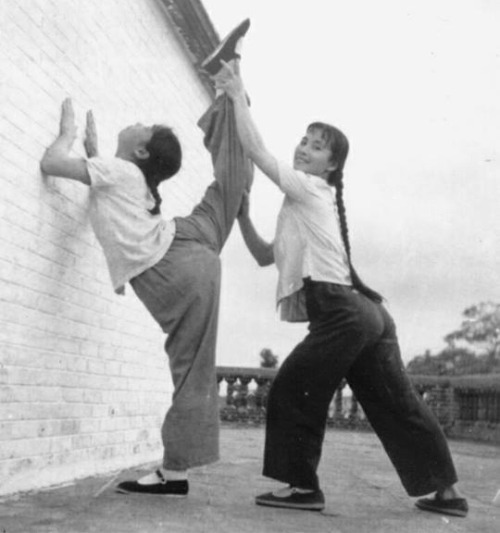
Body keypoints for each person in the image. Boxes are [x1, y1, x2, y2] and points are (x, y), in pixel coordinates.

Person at [215, 61, 468, 517]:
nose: (305, 149)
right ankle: (448, 493)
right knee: (396, 403)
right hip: (365, 314)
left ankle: (302, 489)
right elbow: (261, 255)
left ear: (330, 166)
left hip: (341, 311)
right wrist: (243, 215)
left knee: (293, 389)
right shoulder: (306, 204)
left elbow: (255, 149)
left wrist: (236, 95)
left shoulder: (310, 189)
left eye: (317, 147)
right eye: (304, 141)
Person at [39, 19, 252, 496]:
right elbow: (110, 196)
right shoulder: (123, 176)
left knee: (192, 369)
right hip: (188, 242)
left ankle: (174, 473)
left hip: (174, 266)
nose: (138, 121)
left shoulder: (117, 171)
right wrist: (96, 156)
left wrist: (68, 134)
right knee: (228, 184)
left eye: (144, 127)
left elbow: (51, 164)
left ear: (137, 149)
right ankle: (232, 89)